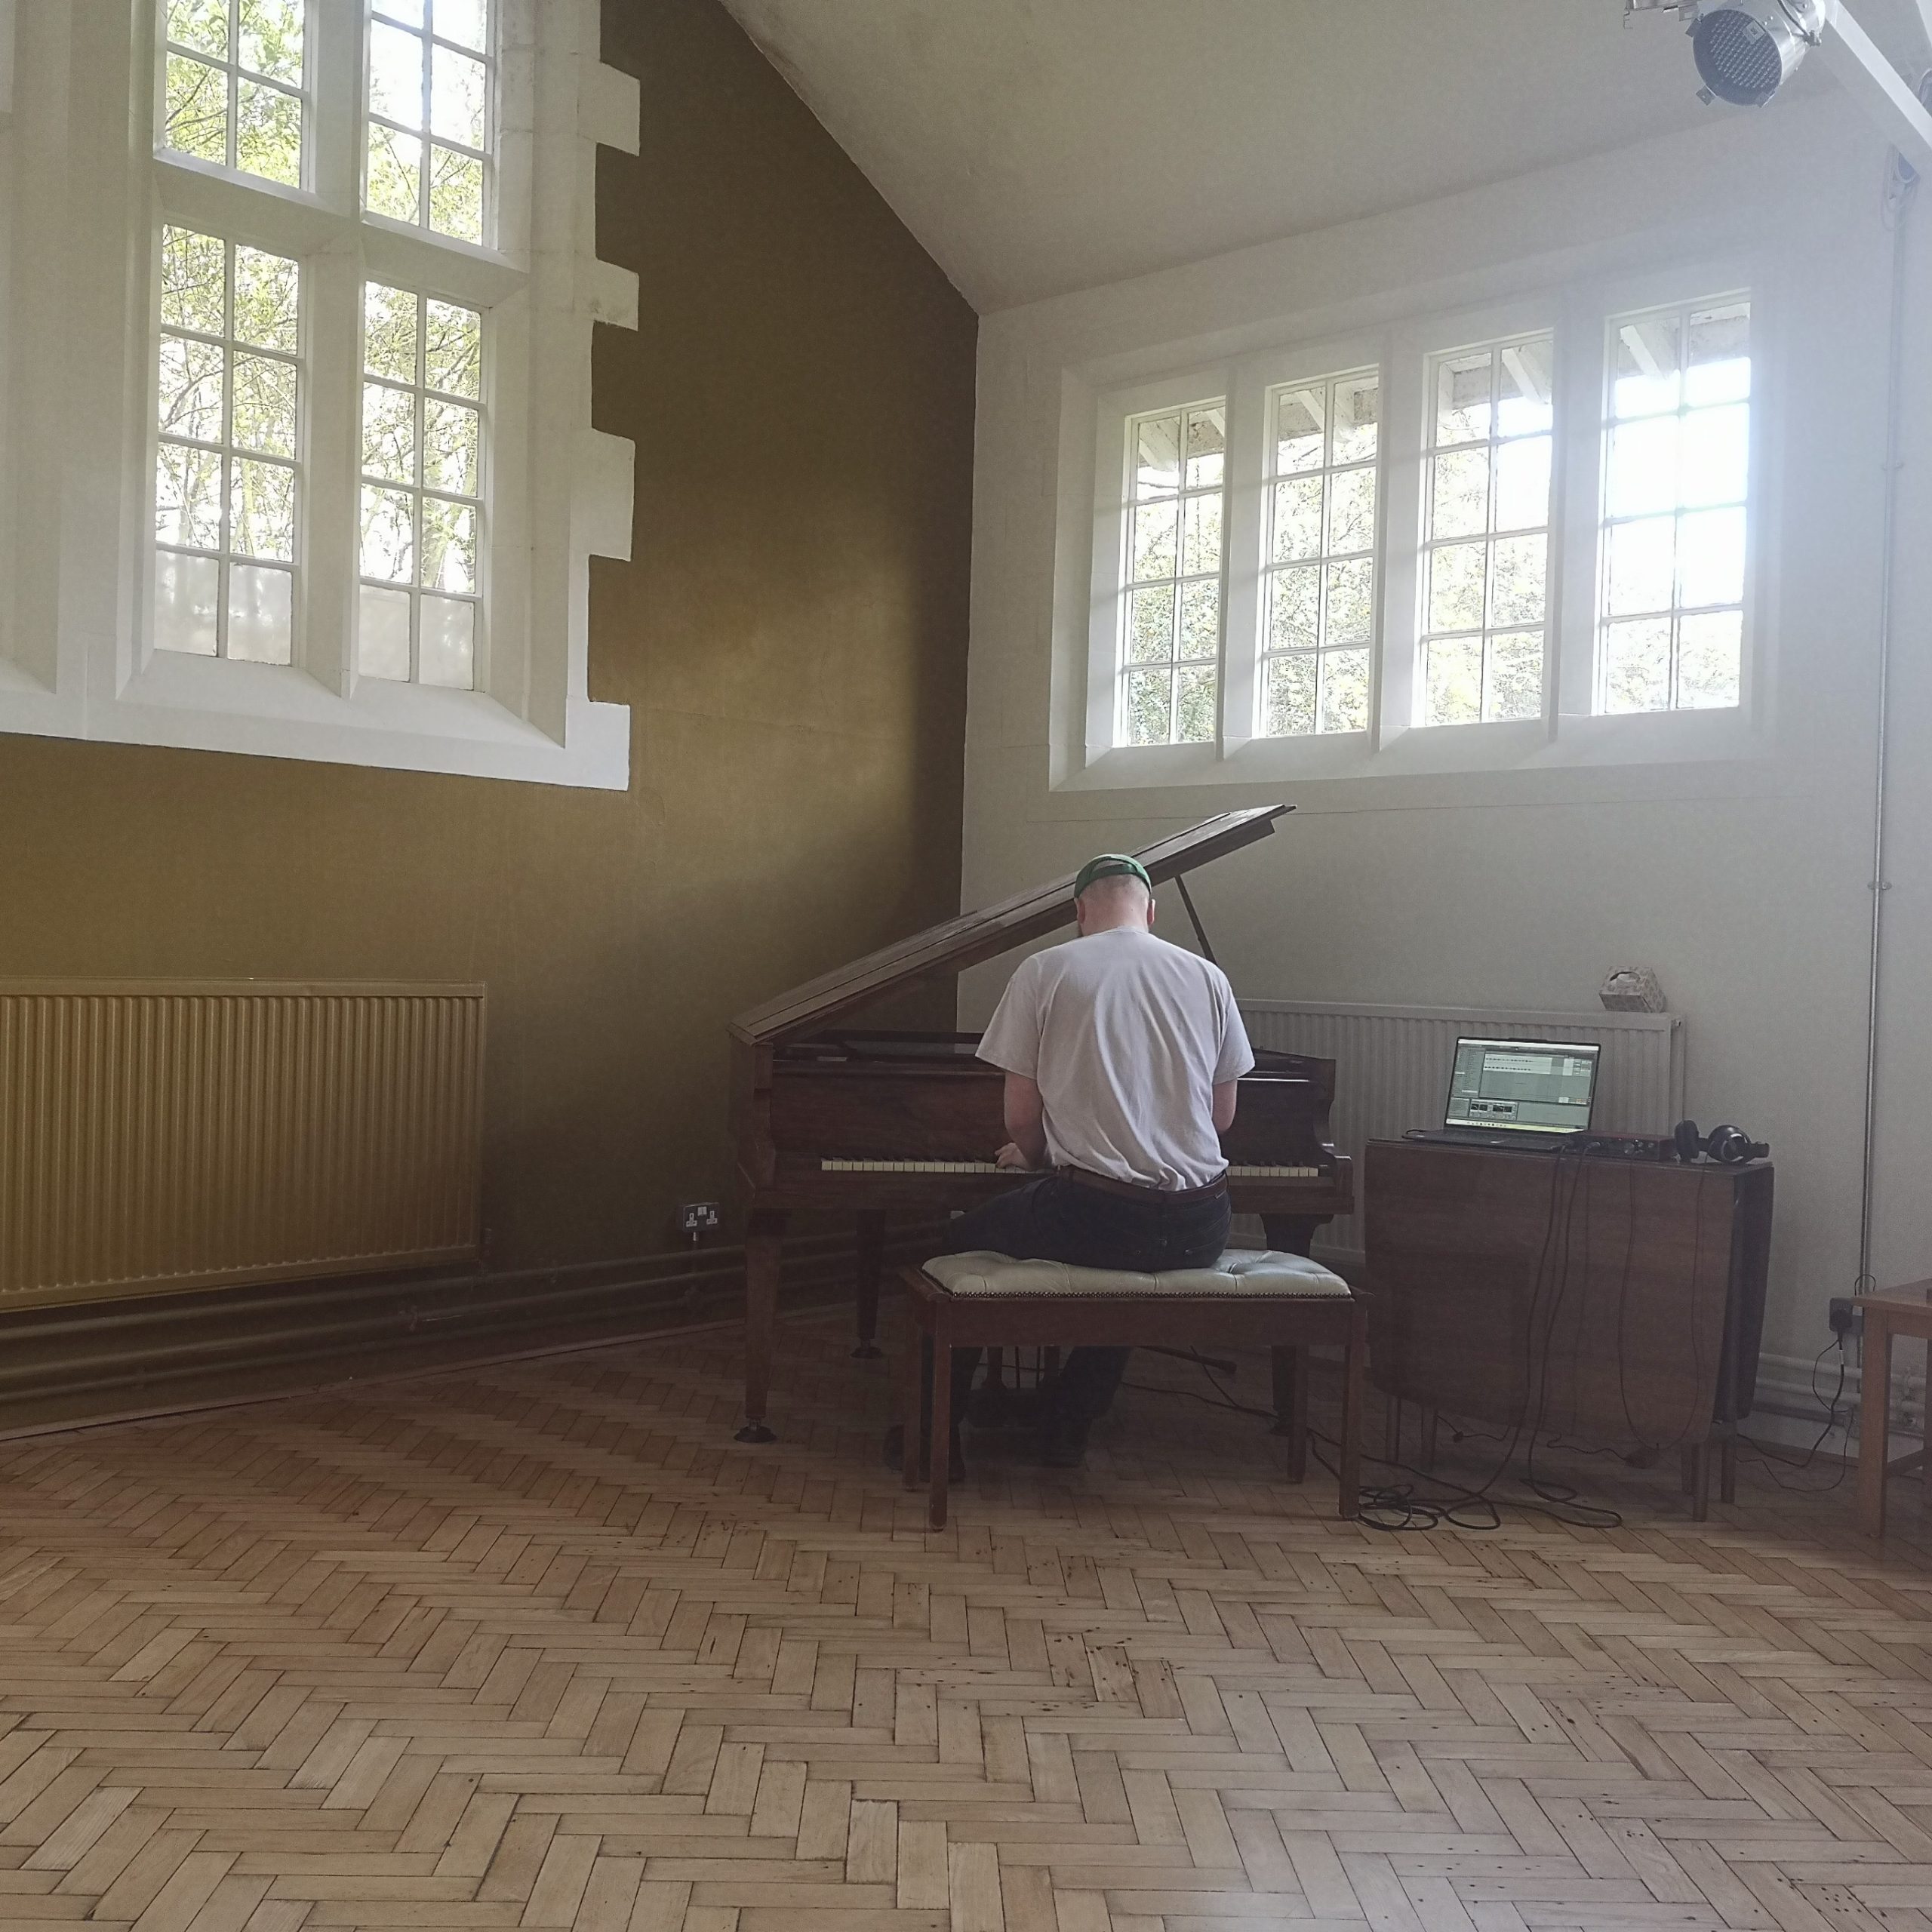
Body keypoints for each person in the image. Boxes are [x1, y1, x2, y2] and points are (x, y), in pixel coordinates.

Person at [885, 852, 1254, 1474]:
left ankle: (933, 1436)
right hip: (1203, 1223)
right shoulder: (1207, 977)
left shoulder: (1047, 969)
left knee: (954, 1244)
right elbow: (1221, 1119)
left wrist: (1033, 1153)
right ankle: (1066, 1423)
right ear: (1151, 912)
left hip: (1098, 1217)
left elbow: (1020, 1119)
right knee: (1129, 1273)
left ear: (1079, 911)